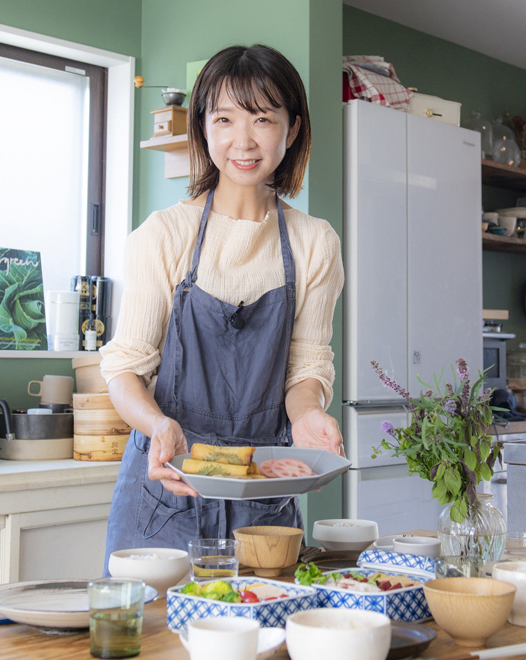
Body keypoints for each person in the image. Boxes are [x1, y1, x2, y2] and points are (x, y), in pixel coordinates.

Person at [100, 44, 345, 565]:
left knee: (264, 638)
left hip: (265, 494)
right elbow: (124, 370)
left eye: (262, 118)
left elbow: (306, 365)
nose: (244, 140)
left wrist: (308, 417)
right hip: (167, 489)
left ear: (292, 128)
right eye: (225, 119)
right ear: (203, 128)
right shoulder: (163, 236)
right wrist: (157, 426)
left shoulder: (314, 243)